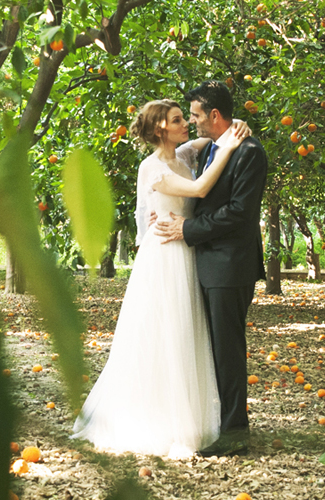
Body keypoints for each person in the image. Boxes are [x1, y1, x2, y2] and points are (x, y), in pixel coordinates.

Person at [71, 99, 250, 458]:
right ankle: (159, 420)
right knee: (164, 333)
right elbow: (199, 190)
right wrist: (229, 148)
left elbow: (210, 135)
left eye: (187, 117)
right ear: (159, 130)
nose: (187, 123)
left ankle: (191, 418)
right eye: (178, 119)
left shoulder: (183, 155)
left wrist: (233, 125)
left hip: (187, 250)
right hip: (165, 254)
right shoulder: (152, 168)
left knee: (187, 333)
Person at [153, 81, 268, 457]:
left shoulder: (249, 153)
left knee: (228, 352)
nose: (193, 121)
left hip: (229, 265)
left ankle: (235, 434)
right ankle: (215, 423)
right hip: (206, 263)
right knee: (211, 349)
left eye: (198, 115)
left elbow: (238, 213)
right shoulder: (210, 149)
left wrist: (187, 229)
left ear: (215, 116)